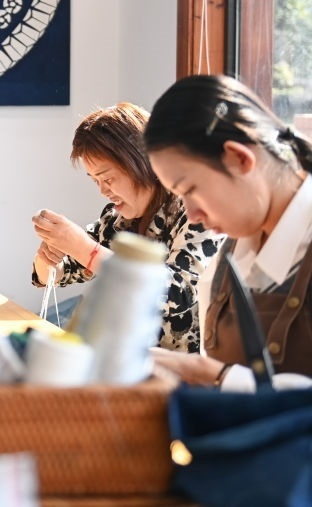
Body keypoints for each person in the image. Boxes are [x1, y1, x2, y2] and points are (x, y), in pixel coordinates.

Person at [146, 75, 312, 390]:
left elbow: (217, 373)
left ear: (239, 158)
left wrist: (217, 376)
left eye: (190, 190)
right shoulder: (230, 256)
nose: (192, 215)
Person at [31, 102, 223, 351]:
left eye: (108, 178)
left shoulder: (198, 212)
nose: (103, 190)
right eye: (95, 181)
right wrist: (49, 257)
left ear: (141, 161)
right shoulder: (117, 220)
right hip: (128, 360)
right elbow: (55, 274)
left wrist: (83, 247)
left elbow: (178, 294)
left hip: (185, 367)